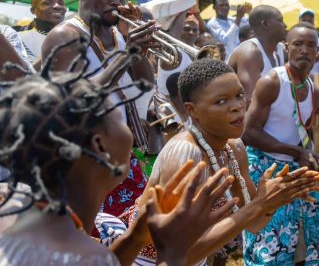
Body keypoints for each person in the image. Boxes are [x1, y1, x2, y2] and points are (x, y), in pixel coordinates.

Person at [0, 44, 237, 265]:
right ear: (100, 147)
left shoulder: (16, 206)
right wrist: (174, 252)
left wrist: (135, 238)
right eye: (117, 118)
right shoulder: (76, 254)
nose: (131, 130)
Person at [136, 58, 319, 265]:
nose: (237, 107)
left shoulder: (234, 148)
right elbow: (173, 256)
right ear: (192, 110)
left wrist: (273, 201)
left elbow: (254, 224)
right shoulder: (185, 154)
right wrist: (259, 205)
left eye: (239, 96)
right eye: (221, 101)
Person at [40, 0, 159, 218]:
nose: (117, 1)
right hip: (83, 164)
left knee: (134, 242)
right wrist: (128, 54)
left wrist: (139, 51)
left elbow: (145, 84)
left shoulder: (120, 35)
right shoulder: (64, 37)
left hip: (124, 155)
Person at [241, 23, 319, 265]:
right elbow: (248, 133)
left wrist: (313, 156)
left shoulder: (313, 89)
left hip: (296, 169)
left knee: (315, 241)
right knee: (269, 246)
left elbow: (303, 135)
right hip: (267, 173)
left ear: (318, 52)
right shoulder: (272, 81)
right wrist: (295, 151)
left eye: (311, 45)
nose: (305, 50)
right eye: (298, 44)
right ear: (286, 48)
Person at [228, 5, 287, 99]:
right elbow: (251, 99)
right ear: (265, 24)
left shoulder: (277, 53)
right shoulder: (250, 53)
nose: (285, 25)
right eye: (280, 20)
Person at [17, 0, 66, 67]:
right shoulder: (18, 38)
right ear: (33, 10)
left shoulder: (79, 37)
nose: (57, 6)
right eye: (47, 3)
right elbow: (20, 74)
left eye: (61, 3)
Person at [299, 8, 319, 78]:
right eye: (304, 20)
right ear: (299, 21)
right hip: (299, 82)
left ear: (314, 23)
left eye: (310, 20)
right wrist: (314, 59)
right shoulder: (291, 42)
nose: (307, 23)